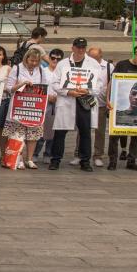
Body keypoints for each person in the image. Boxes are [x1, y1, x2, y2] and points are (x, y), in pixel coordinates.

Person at [48, 38, 102, 172]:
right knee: (60, 132)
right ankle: (55, 160)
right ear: (72, 48)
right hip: (67, 101)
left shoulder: (93, 64)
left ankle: (85, 161)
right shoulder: (63, 64)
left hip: (85, 102)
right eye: (78, 47)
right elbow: (55, 83)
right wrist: (68, 92)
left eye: (83, 47)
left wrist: (87, 90)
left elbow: (99, 85)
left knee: (85, 132)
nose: (80, 50)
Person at [107, 45, 137, 172]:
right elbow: (112, 82)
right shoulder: (122, 64)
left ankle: (131, 160)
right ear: (136, 55)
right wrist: (107, 99)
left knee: (136, 135)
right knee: (114, 135)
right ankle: (112, 160)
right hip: (117, 104)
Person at [4, 46, 49, 169]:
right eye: (31, 61)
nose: (33, 63)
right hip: (18, 107)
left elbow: (45, 87)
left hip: (34, 107)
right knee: (18, 134)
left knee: (33, 135)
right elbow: (8, 88)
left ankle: (29, 159)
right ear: (26, 59)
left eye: (36, 61)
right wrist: (22, 84)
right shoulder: (17, 68)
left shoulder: (40, 70)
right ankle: (18, 158)